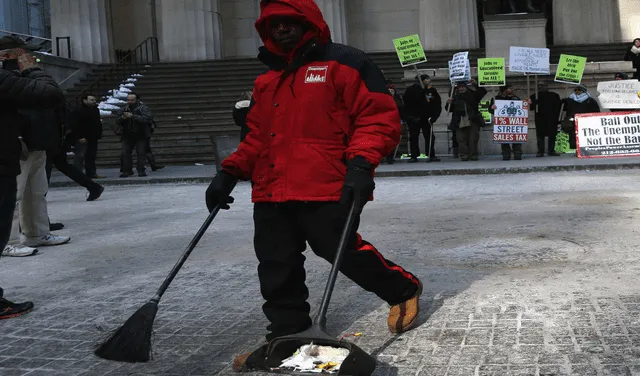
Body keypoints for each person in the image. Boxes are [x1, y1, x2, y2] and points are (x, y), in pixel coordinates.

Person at [205, 0, 422, 371]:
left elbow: (377, 117)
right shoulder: (266, 80)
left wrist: (360, 163)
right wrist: (229, 172)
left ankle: (402, 289)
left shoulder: (346, 62)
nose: (282, 30)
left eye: (290, 22)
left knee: (338, 249)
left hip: (330, 182)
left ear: (308, 23)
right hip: (272, 188)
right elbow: (256, 137)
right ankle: (286, 335)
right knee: (275, 263)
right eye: (274, 25)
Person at [0, 35, 65, 317]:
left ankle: (36, 233)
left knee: (35, 193)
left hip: (32, 144)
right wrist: (32, 69)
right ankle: (12, 241)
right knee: (10, 201)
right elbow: (49, 92)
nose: (30, 57)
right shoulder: (9, 78)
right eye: (24, 53)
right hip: (11, 150)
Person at [403, 74, 442, 162]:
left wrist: (434, 117)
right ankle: (414, 155)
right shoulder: (410, 90)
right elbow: (406, 105)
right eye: (426, 80)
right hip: (414, 118)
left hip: (427, 118)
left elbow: (436, 104)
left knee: (430, 137)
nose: (428, 82)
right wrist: (410, 117)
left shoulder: (431, 90)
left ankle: (431, 155)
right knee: (413, 137)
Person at [446, 80, 487, 161]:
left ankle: (473, 155)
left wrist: (475, 84)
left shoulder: (473, 95)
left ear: (466, 87)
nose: (461, 89)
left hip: (472, 120)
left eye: (463, 87)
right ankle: (464, 155)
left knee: (473, 139)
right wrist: (448, 103)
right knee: (461, 139)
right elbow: (448, 110)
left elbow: (483, 91)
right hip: (459, 121)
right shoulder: (454, 97)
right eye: (459, 87)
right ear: (457, 89)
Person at [117, 92, 153, 177]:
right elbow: (117, 120)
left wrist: (133, 116)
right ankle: (127, 170)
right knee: (125, 153)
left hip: (141, 134)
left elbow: (147, 119)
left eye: (132, 100)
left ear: (137, 100)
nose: (130, 101)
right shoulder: (125, 108)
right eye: (128, 99)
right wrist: (123, 117)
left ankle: (141, 170)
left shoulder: (143, 108)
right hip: (127, 135)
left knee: (141, 153)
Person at [490, 84, 529, 160]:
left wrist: (527, 103)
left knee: (517, 137)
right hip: (503, 123)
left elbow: (522, 107)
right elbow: (490, 110)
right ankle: (506, 154)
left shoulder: (516, 98)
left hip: (514, 123)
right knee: (504, 138)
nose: (512, 90)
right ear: (504, 90)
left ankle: (517, 153)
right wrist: (492, 107)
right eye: (510, 88)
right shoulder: (496, 98)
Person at [70, 95, 105, 179]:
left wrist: (98, 133)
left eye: (94, 100)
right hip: (83, 137)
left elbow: (96, 123)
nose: (94, 101)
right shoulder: (78, 110)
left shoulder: (95, 110)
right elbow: (75, 125)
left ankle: (91, 173)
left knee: (91, 156)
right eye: (91, 100)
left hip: (93, 137)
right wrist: (79, 136)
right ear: (85, 100)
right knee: (80, 155)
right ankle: (77, 174)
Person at [561, 84, 600, 150]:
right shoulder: (570, 100)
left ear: (583, 91)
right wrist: (564, 101)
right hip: (573, 121)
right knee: (573, 135)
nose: (577, 91)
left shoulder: (590, 100)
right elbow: (566, 110)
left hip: (586, 122)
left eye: (579, 90)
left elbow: (596, 111)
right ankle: (575, 149)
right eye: (575, 90)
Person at [530, 83, 562, 157]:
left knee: (552, 134)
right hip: (540, 118)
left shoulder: (554, 95)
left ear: (547, 86)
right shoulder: (534, 96)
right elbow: (532, 108)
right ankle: (540, 151)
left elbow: (559, 106)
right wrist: (531, 102)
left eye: (543, 85)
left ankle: (551, 150)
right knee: (540, 135)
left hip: (552, 118)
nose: (541, 87)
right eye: (539, 86)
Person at [385, 82, 407, 164]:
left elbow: (402, 111)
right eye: (389, 91)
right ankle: (387, 156)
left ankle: (391, 155)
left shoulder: (398, 101)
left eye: (392, 91)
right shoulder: (384, 100)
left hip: (396, 121)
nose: (391, 92)